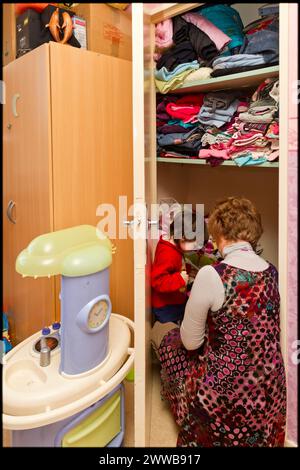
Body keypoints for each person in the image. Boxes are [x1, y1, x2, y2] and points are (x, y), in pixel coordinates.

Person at [152, 196, 286, 447]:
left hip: (224, 397)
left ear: (220, 234)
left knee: (170, 342)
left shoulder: (213, 274)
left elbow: (190, 342)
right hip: (269, 391)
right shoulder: (272, 271)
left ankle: (195, 417)